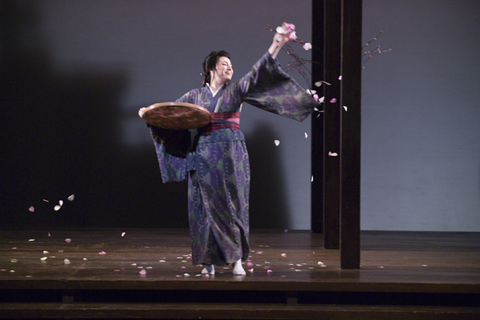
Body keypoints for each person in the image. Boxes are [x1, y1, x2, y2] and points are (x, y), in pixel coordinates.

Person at [139, 24, 317, 275]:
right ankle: (208, 261)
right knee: (203, 206)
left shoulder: (236, 90)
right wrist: (149, 115)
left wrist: (278, 42)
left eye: (231, 64)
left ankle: (237, 260)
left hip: (232, 153)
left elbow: (258, 72)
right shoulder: (194, 96)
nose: (230, 67)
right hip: (202, 154)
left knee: (234, 204)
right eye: (224, 63)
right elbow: (172, 115)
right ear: (211, 69)